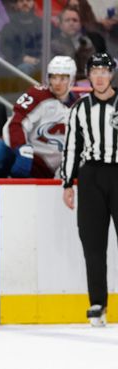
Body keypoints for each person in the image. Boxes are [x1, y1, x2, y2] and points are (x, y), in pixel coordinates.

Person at [60, 52, 118, 327]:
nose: (99, 76)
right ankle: (98, 303)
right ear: (88, 75)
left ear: (112, 75)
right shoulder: (80, 109)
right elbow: (72, 147)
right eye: (94, 71)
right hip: (92, 175)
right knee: (93, 243)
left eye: (104, 71)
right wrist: (67, 182)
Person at [0, 56, 77, 178]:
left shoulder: (80, 106)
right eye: (53, 77)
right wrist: (22, 148)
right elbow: (16, 122)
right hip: (19, 150)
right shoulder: (38, 94)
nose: (57, 83)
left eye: (63, 78)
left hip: (47, 165)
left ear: (71, 79)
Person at [51, 6, 108, 79]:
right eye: (67, 20)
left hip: (86, 83)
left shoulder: (87, 43)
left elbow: (93, 67)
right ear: (61, 25)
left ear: (80, 24)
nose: (71, 23)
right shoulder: (54, 44)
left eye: (75, 20)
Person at [0, 0, 44, 75]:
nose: (25, 3)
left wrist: (39, 60)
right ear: (16, 4)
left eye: (28, 0)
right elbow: (7, 51)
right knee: (26, 67)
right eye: (21, 1)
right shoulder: (9, 27)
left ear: (33, 3)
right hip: (18, 64)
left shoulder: (41, 24)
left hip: (40, 62)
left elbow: (49, 45)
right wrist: (23, 58)